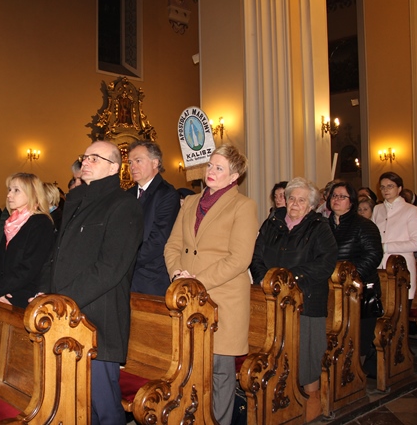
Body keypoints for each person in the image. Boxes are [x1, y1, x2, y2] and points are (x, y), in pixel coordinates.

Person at [43, 140, 143, 424]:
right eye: (84, 157)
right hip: (66, 315)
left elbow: (110, 268)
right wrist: (45, 293)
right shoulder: (76, 200)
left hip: (98, 320)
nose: (85, 162)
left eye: (94, 158)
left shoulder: (124, 205)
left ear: (113, 168)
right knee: (75, 405)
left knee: (103, 408)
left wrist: (63, 300)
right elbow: (57, 255)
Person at [164, 144, 259, 424]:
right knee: (190, 368)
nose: (211, 171)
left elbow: (239, 259)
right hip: (188, 297)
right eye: (210, 165)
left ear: (234, 177)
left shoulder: (244, 206)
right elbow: (173, 245)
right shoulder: (191, 202)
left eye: (219, 168)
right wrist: (177, 274)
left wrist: (196, 281)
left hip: (222, 297)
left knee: (219, 371)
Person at [250, 177, 337, 422]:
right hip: (272, 298)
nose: (295, 204)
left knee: (307, 353)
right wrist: (264, 279)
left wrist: (289, 279)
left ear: (311, 205)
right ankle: (281, 398)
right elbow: (256, 256)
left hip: (306, 300)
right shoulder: (272, 223)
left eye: (301, 200)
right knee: (276, 350)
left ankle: (312, 399)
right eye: (291, 198)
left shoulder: (319, 226)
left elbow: (325, 262)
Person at [326, 181, 383, 372]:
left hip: (360, 290)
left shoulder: (364, 225)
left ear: (351, 202)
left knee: (359, 336)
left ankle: (355, 373)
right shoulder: (323, 226)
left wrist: (350, 278)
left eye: (342, 196)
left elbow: (373, 255)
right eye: (334, 196)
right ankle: (337, 373)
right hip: (332, 288)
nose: (337, 199)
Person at [0, 173, 54, 307]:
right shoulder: (11, 223)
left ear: (32, 193)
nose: (9, 195)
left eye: (16, 190)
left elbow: (29, 268)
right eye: (9, 190)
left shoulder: (40, 223)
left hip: (24, 295)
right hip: (3, 291)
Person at [127, 140, 180, 295]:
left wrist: (125, 261)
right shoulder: (127, 195)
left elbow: (158, 240)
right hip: (126, 277)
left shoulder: (167, 194)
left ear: (155, 163)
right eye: (130, 162)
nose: (132, 166)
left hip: (150, 279)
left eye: (138, 161)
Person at [372, 172, 417, 300]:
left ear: (399, 188)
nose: (385, 190)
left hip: (402, 267)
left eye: (390, 186)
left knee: (401, 305)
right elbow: (372, 236)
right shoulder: (377, 209)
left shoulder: (411, 210)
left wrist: (386, 247)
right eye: (382, 187)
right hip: (380, 266)